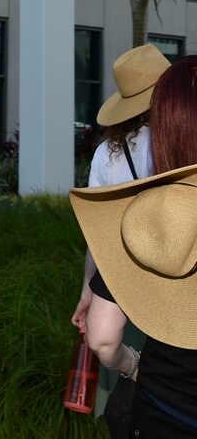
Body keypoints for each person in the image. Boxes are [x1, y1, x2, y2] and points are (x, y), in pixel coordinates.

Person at [70, 55, 197, 438]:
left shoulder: (107, 153)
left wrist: (89, 288)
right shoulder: (156, 143)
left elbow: (103, 235)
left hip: (166, 400)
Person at [71, 43, 170, 330]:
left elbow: (97, 234)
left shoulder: (104, 154)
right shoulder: (180, 140)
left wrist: (88, 289)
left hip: (121, 287)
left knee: (125, 363)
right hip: (176, 284)